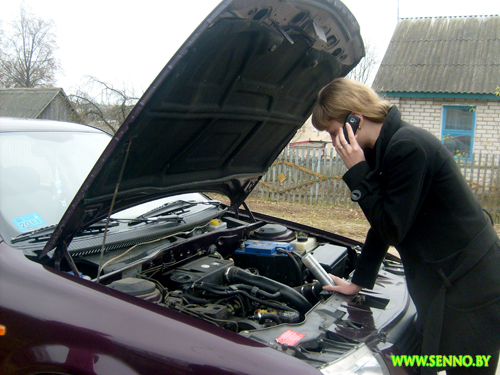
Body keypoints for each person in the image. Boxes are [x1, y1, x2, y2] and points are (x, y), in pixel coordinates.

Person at [311, 78, 500, 375]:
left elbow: (392, 229)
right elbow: (382, 222)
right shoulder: (386, 148)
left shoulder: (407, 146)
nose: (335, 143)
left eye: (335, 132)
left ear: (354, 119)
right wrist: (360, 280)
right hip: (448, 277)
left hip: (472, 285)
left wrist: (359, 172)